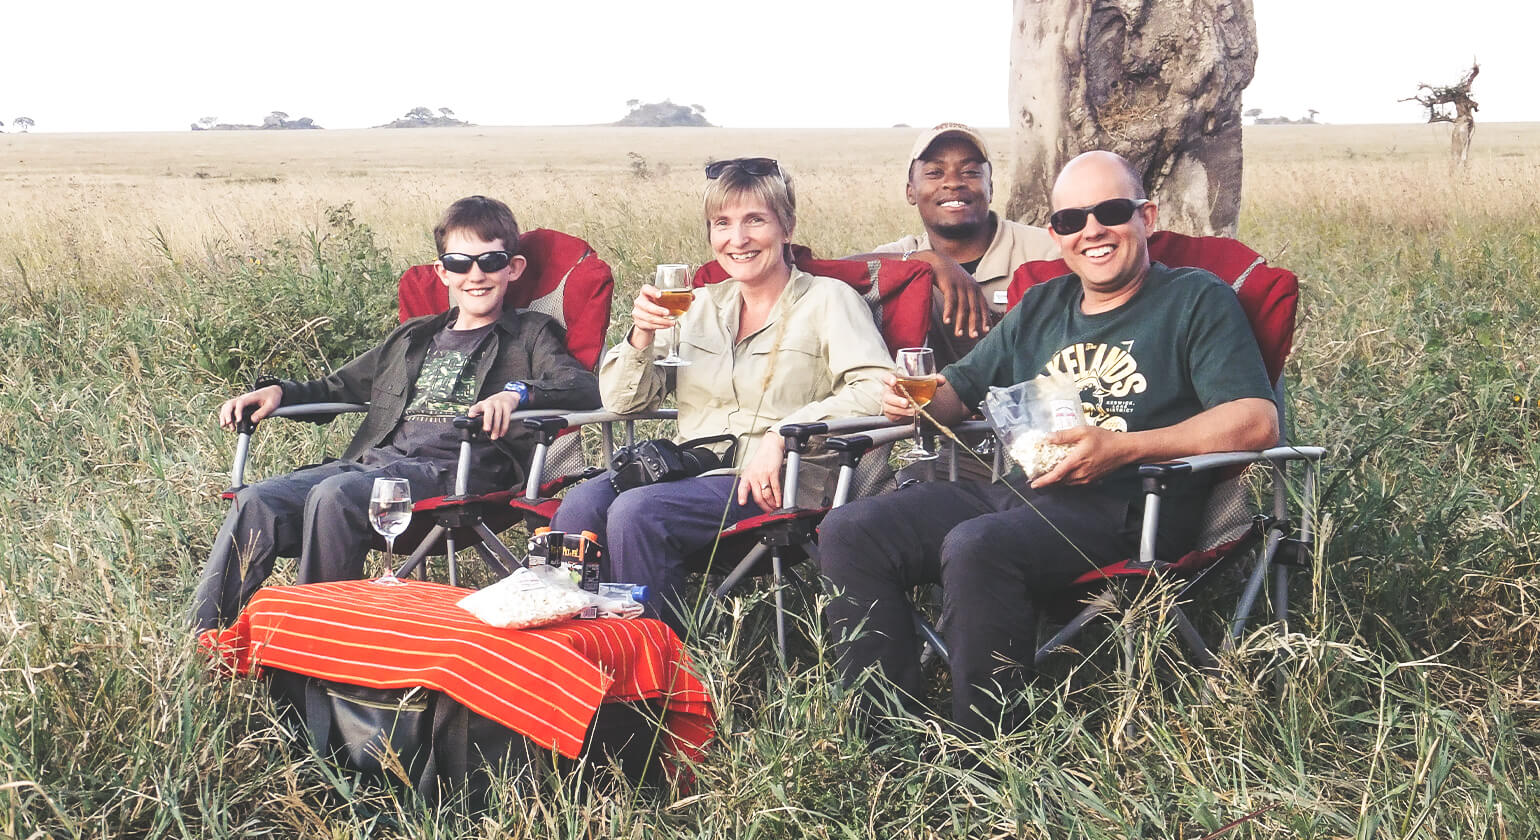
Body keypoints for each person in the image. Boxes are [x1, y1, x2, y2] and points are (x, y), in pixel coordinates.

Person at [819, 151, 1280, 737]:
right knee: (851, 529)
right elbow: (955, 395)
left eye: (1110, 211)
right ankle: (882, 734)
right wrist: (914, 399)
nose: (1091, 231)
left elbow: (1255, 419)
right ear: (1055, 233)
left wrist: (1126, 446)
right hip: (1020, 492)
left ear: (1148, 217)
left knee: (977, 543)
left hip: (1132, 506)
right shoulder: (1042, 304)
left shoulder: (1195, 298)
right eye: (1069, 220)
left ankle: (989, 752)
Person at [191, 196, 601, 632]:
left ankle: (317, 646)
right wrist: (279, 392)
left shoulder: (531, 335)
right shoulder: (414, 336)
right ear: (442, 271)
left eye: (491, 260)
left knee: (335, 495)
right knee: (259, 500)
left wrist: (516, 394)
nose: (476, 275)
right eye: (460, 263)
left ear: (513, 268)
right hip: (376, 465)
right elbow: (340, 386)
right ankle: (203, 638)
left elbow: (582, 386)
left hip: (459, 473)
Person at [550, 158, 893, 631]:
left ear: (786, 226)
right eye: (722, 224)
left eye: (755, 220)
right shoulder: (698, 306)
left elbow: (878, 386)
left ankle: (656, 679)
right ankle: (577, 648)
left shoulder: (828, 300)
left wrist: (782, 434)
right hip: (693, 470)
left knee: (638, 511)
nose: (738, 239)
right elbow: (625, 402)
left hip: (782, 482)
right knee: (581, 505)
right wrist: (641, 338)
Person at [862, 123, 1060, 366]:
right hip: (931, 402)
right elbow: (830, 272)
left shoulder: (1045, 251)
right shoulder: (904, 255)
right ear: (910, 192)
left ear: (990, 188)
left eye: (971, 172)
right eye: (935, 172)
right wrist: (927, 261)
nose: (953, 182)